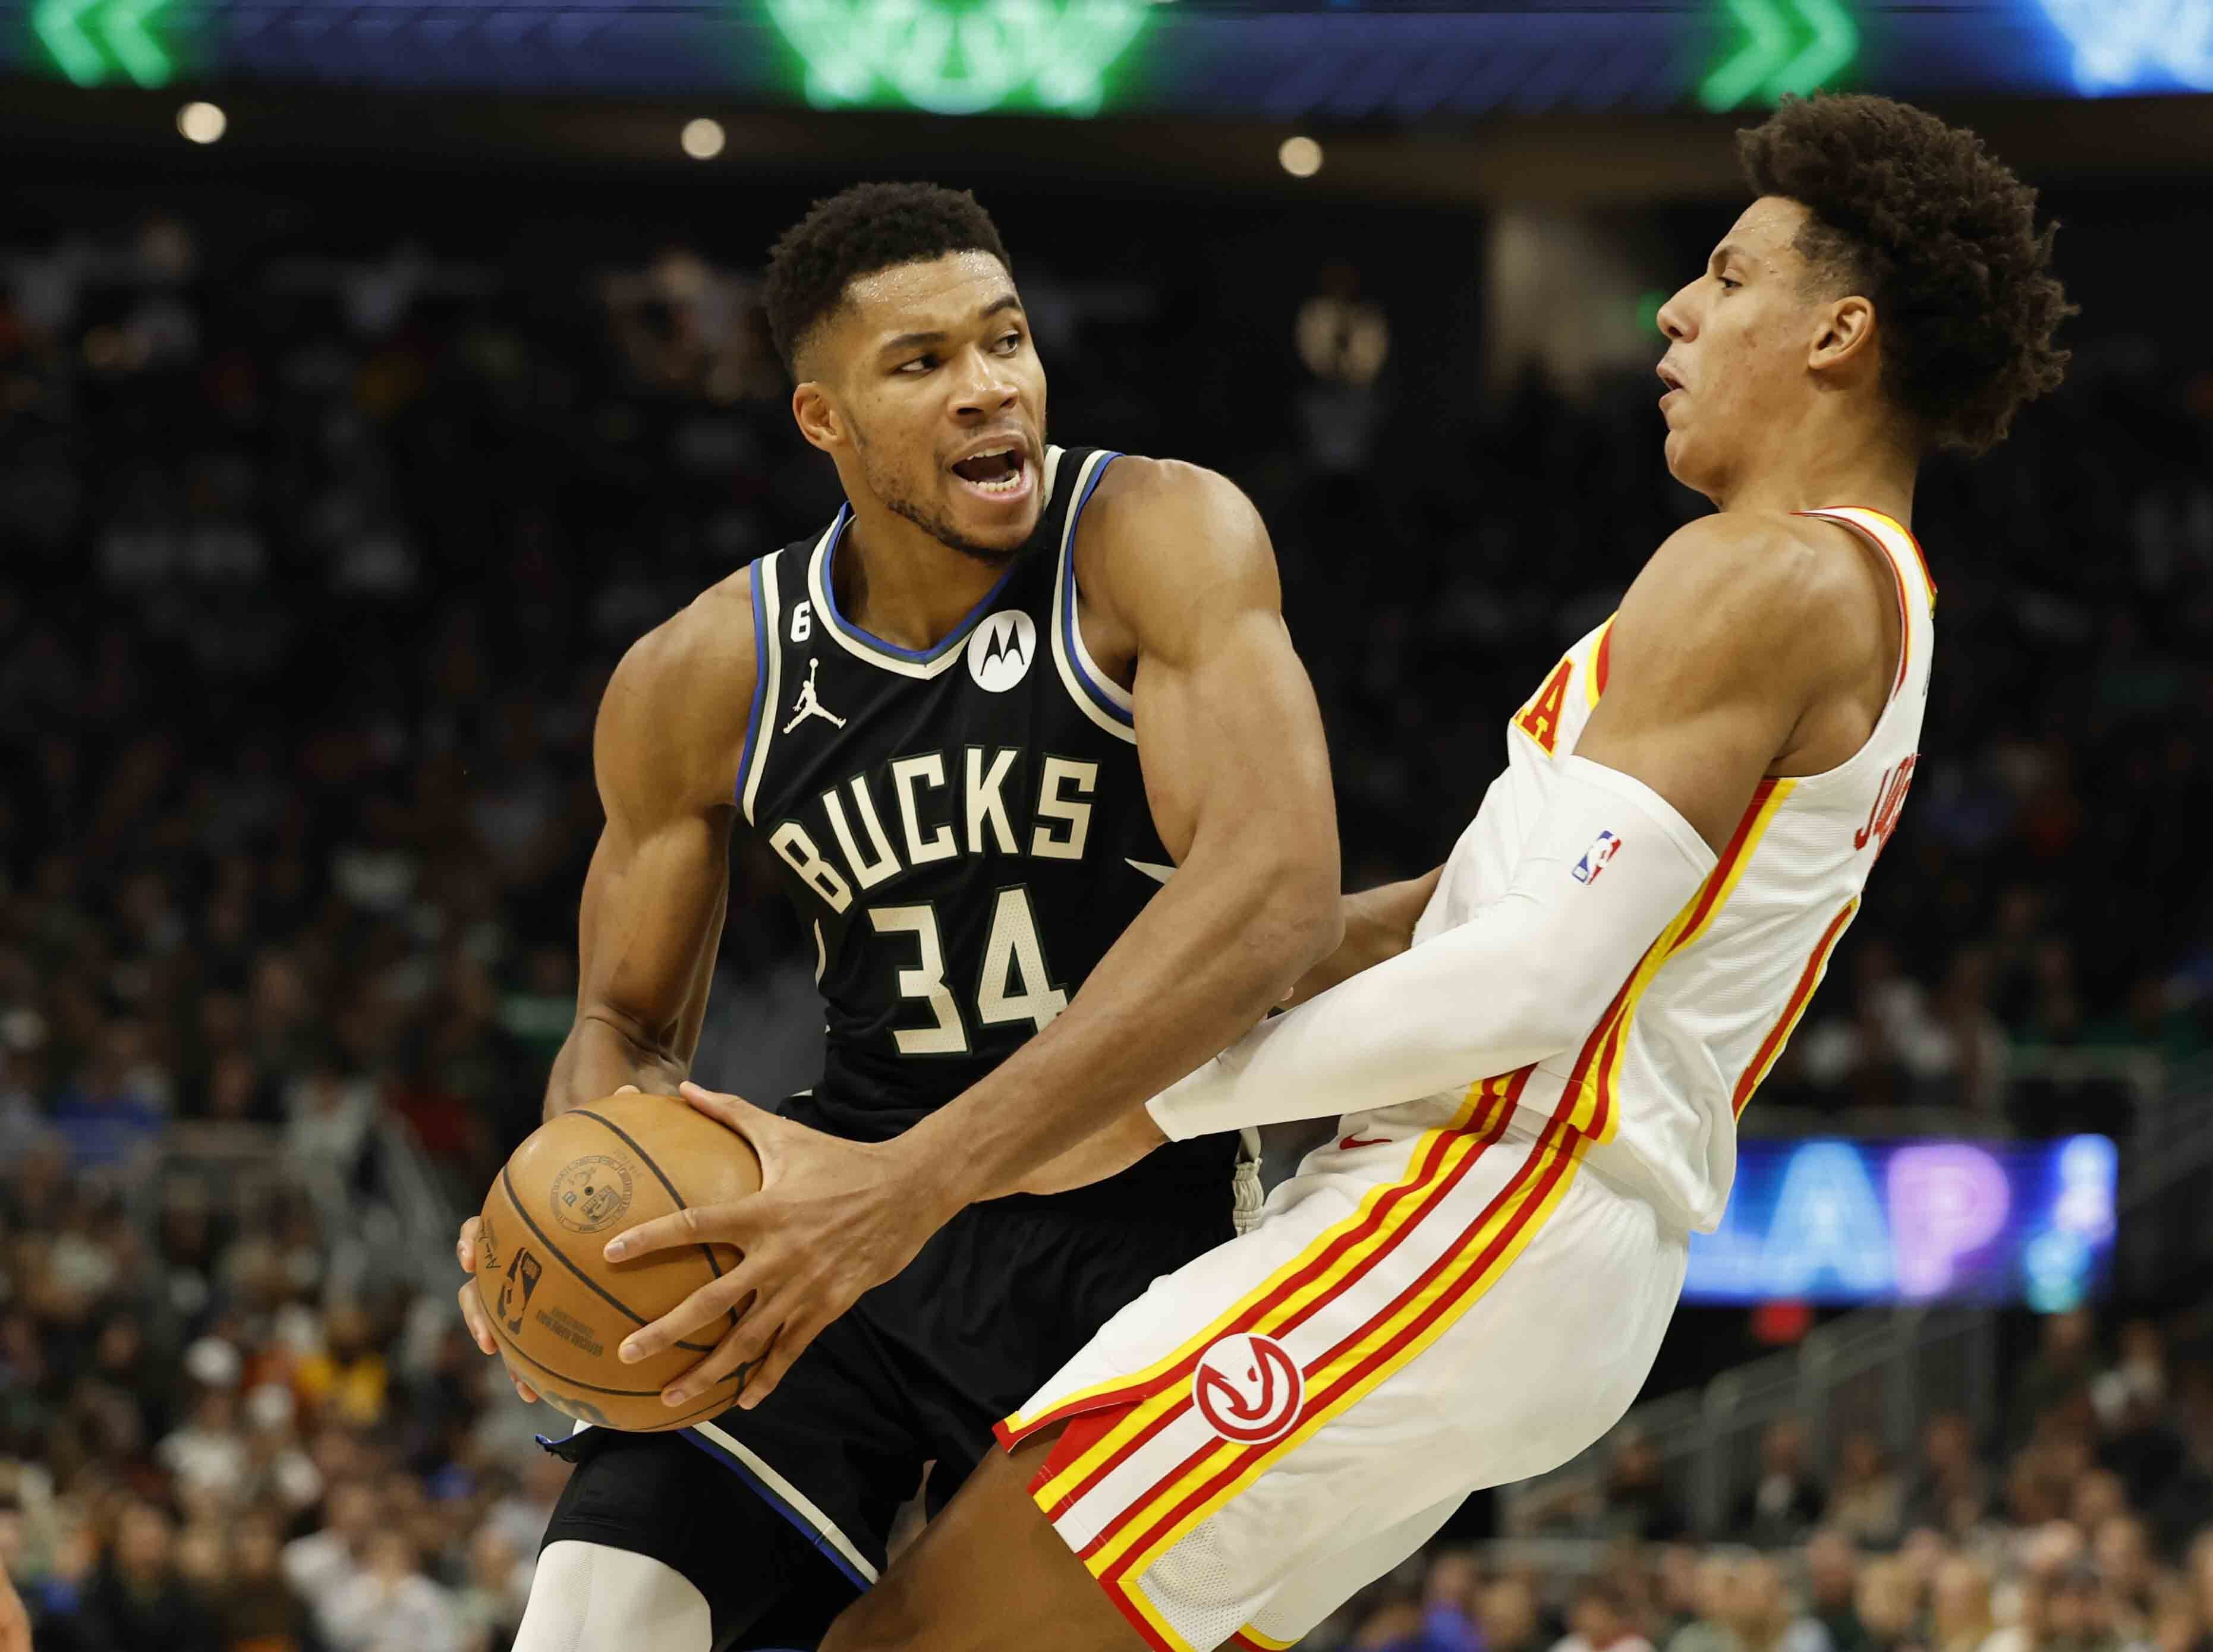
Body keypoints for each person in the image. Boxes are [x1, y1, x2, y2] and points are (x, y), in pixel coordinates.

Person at [751, 90, 2070, 1652]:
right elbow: (1485, 910)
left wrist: (1138, 1104)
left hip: (1480, 1200)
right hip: (1513, 1244)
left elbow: (1528, 985)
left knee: (915, 1637)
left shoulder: (1765, 571)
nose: (1673, 309)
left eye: (1724, 277)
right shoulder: (1852, 590)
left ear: (1835, 333)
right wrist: (1227, 967)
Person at [452, 181, 1343, 1652]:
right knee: (593, 1619)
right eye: (921, 363)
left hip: (1133, 1240)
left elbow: (1274, 895)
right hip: (836, 1229)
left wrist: (915, 1184)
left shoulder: (1154, 536)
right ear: (825, 422)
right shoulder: (704, 671)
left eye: (1005, 342)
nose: (990, 387)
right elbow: (619, 1021)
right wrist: (579, 1212)